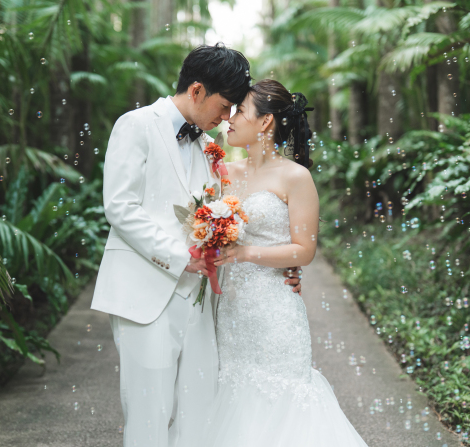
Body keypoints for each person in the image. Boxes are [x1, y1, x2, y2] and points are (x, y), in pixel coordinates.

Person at [91, 45, 303, 447]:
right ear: (196, 90)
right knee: (149, 414)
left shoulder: (210, 149)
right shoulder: (136, 125)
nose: (226, 119)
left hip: (203, 302)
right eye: (224, 107)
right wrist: (178, 258)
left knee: (200, 414)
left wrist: (282, 266)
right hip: (146, 294)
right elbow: (119, 206)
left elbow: (240, 217)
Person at [186, 79, 369, 446]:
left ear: (266, 122)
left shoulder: (295, 177)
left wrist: (246, 253)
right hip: (230, 310)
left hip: (274, 311)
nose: (230, 119)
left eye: (240, 111)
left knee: (281, 401)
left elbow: (304, 250)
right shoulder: (223, 173)